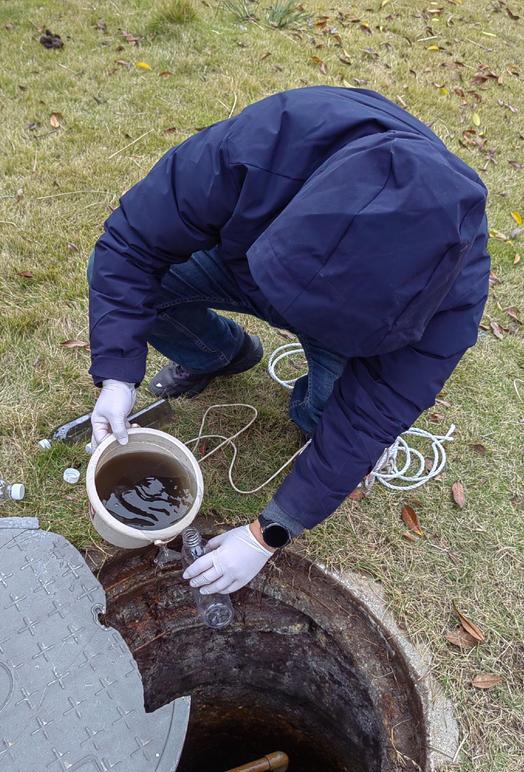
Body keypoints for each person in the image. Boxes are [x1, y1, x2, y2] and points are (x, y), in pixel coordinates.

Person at [87, 86, 490, 597]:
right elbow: (132, 244)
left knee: (333, 418)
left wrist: (266, 536)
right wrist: (118, 375)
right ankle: (220, 353)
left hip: (348, 327)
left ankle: (311, 410)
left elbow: (368, 420)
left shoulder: (451, 298)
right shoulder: (268, 145)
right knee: (130, 283)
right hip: (249, 267)